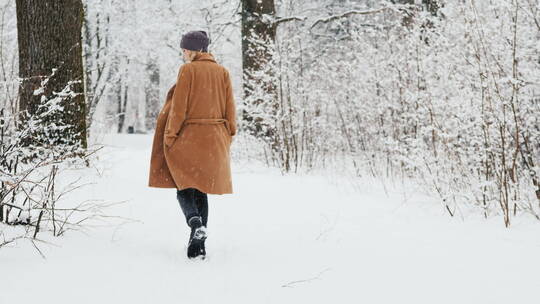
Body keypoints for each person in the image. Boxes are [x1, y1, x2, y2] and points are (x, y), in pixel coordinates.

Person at [148, 30, 237, 260]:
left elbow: (179, 107)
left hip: (189, 136)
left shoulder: (188, 70)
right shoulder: (222, 72)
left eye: (186, 49)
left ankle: (194, 221)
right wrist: (229, 134)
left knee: (184, 186)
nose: (184, 53)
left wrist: (170, 134)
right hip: (215, 138)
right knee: (201, 188)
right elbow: (230, 108)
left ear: (197, 50)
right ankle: (198, 246)